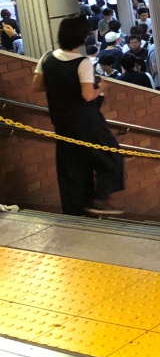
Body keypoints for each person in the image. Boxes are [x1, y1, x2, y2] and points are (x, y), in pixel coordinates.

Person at [32, 15, 125, 216]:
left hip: (61, 120)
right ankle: (99, 199)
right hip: (85, 120)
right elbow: (87, 95)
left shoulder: (47, 57)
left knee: (72, 164)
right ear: (82, 38)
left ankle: (75, 209)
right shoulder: (82, 63)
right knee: (110, 153)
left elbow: (36, 86)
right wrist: (101, 87)